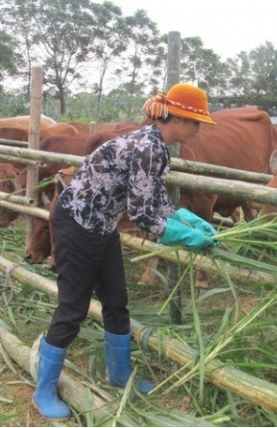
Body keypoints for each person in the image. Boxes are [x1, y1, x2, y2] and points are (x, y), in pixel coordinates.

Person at [33, 83, 220, 420]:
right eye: (196, 122)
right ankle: (43, 388)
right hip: (77, 224)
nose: (198, 129)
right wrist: (184, 237)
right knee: (72, 308)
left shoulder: (158, 146)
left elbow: (155, 200)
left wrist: (188, 221)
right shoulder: (148, 146)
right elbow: (143, 216)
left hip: (101, 225)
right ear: (178, 118)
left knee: (116, 301)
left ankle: (119, 375)